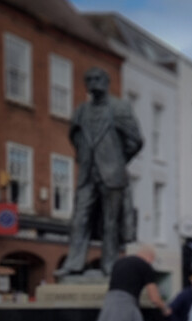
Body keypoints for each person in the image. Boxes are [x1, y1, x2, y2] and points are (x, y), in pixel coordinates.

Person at [57, 68, 143, 278]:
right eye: (88, 79)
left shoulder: (119, 108)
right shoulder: (81, 111)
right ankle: (75, 264)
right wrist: (85, 158)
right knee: (79, 219)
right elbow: (75, 137)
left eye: (97, 79)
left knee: (110, 223)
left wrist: (118, 161)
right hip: (87, 174)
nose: (93, 82)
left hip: (111, 175)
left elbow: (136, 140)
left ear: (107, 82)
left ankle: (110, 265)